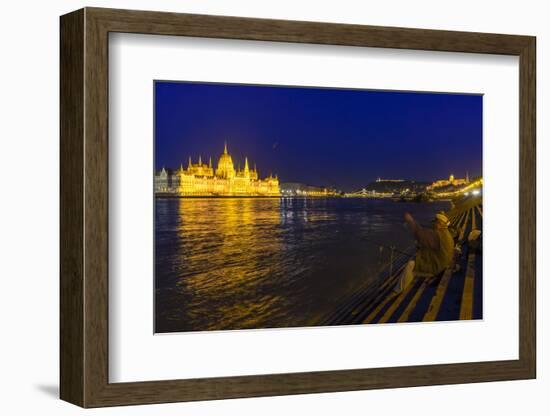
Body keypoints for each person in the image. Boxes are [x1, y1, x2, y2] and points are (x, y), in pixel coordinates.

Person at [394, 211, 455, 293]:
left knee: (410, 265)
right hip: (442, 263)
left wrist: (410, 221)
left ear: (440, 223)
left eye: (435, 222)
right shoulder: (444, 233)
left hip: (438, 267)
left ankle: (397, 290)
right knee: (415, 258)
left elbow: (419, 234)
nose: (433, 224)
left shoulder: (438, 235)